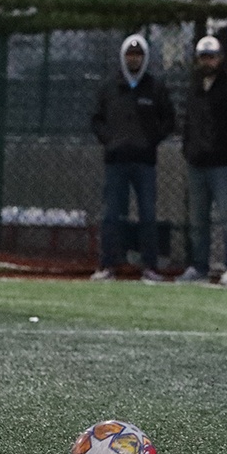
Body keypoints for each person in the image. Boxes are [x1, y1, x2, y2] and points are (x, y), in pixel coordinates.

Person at [90, 34, 177, 282]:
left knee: (147, 214)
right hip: (115, 161)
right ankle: (107, 265)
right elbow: (96, 119)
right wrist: (110, 140)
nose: (134, 59)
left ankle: (149, 266)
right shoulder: (109, 87)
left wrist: (150, 141)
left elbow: (169, 119)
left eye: (138, 55)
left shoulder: (155, 87)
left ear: (145, 58)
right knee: (111, 214)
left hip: (144, 162)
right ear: (123, 56)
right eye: (130, 54)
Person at [177, 35, 227, 287]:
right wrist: (189, 149)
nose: (207, 62)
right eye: (204, 57)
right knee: (197, 220)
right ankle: (199, 266)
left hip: (223, 163)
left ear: (220, 58)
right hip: (197, 163)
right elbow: (188, 122)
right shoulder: (194, 88)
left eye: (211, 57)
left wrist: (225, 138)